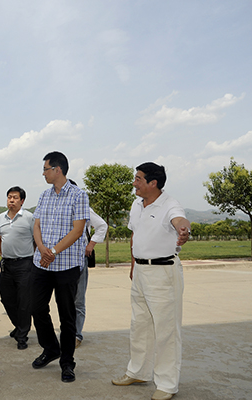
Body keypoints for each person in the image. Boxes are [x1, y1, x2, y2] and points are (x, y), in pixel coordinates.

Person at [112, 162, 191, 400]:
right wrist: (133, 265)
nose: (134, 183)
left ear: (153, 183)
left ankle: (167, 384)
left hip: (163, 273)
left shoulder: (170, 204)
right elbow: (135, 234)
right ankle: (138, 372)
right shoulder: (137, 204)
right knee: (140, 325)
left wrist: (183, 230)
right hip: (141, 271)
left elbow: (180, 221)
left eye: (138, 179)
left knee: (166, 330)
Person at [31, 151, 89, 384]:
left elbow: (78, 230)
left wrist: (53, 252)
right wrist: (42, 249)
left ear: (57, 170)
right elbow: (36, 225)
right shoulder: (44, 196)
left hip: (66, 266)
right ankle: (51, 348)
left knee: (67, 316)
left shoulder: (78, 195)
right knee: (36, 307)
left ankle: (67, 363)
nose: (43, 173)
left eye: (45, 169)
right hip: (42, 264)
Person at [67, 180, 108, 349]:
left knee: (78, 299)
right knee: (65, 298)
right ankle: (67, 331)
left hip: (79, 259)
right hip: (61, 259)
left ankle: (76, 334)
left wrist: (91, 244)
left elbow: (102, 226)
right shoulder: (56, 209)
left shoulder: (84, 209)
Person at [0, 186, 34, 350]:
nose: (11, 200)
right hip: (7, 265)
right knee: (6, 298)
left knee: (24, 302)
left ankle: (22, 335)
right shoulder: (1, 217)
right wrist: (1, 252)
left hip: (25, 264)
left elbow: (36, 239)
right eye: (9, 197)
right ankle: (19, 326)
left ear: (22, 201)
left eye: (15, 197)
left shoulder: (29, 217)